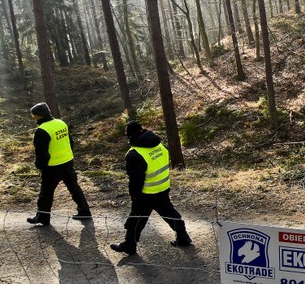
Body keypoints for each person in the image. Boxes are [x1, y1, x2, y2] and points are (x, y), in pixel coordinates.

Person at [110, 121, 192, 255]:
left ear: (129, 136)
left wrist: (134, 196)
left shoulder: (134, 154)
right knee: (169, 213)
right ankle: (183, 237)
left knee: (136, 219)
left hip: (146, 193)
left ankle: (129, 244)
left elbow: (136, 181)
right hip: (163, 187)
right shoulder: (158, 144)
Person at [27, 102, 92, 226]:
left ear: (38, 116)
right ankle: (85, 211)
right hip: (67, 162)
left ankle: (42, 217)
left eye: (34, 116)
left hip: (52, 167)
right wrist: (69, 156)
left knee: (46, 193)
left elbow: (41, 154)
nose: (33, 118)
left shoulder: (42, 131)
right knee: (74, 188)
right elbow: (70, 142)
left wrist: (40, 167)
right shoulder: (61, 123)